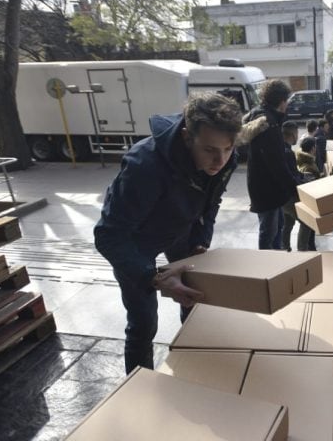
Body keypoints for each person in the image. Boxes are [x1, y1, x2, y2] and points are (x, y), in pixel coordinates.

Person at [94, 92, 242, 374]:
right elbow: (108, 236)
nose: (220, 160)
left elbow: (212, 203)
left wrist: (200, 242)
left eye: (228, 149)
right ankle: (139, 391)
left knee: (195, 298)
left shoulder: (225, 157)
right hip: (136, 240)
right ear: (187, 137)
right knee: (143, 323)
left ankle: (192, 366)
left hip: (181, 230)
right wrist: (154, 278)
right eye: (210, 150)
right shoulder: (144, 165)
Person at [241, 80, 298, 249]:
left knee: (276, 227)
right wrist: (296, 189)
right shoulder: (268, 123)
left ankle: (276, 261)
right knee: (269, 232)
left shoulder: (259, 114)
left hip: (263, 188)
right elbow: (277, 164)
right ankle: (267, 266)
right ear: (282, 101)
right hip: (268, 191)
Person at [279, 121, 305, 251]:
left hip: (281, 197)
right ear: (294, 134)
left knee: (288, 222)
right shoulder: (288, 153)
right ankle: (302, 252)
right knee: (306, 223)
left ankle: (285, 248)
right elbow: (291, 177)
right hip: (289, 197)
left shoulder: (279, 149)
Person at [295, 135, 321, 250]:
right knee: (308, 227)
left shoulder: (303, 160)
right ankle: (307, 249)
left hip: (305, 201)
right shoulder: (308, 165)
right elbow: (309, 185)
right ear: (313, 148)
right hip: (309, 203)